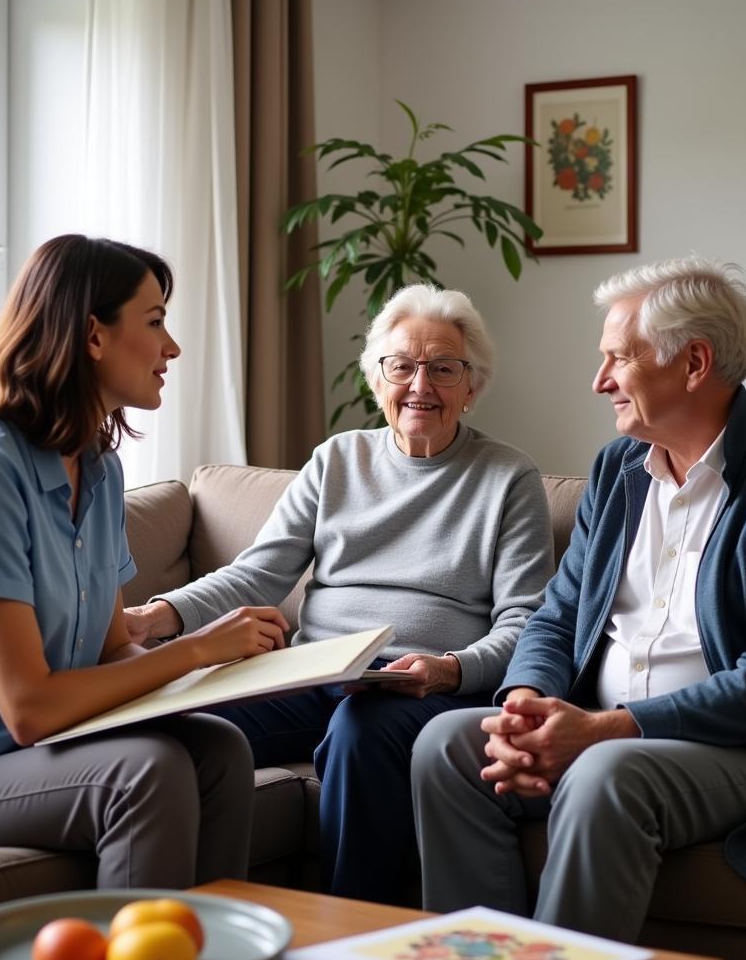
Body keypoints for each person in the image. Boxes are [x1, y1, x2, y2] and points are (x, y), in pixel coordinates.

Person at [411, 257, 746, 942]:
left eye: (617, 359)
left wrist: (607, 728)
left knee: (606, 774)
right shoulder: (616, 471)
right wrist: (524, 704)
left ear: (693, 363)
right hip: (603, 727)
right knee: (445, 746)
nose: (599, 381)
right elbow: (556, 617)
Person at [0, 234, 288, 889]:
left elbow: (112, 651)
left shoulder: (98, 468)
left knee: (220, 748)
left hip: (25, 754)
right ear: (94, 336)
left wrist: (225, 675)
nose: (171, 347)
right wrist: (196, 650)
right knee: (145, 770)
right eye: (154, 323)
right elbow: (30, 708)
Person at [125, 282, 553, 906]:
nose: (420, 386)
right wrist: (158, 616)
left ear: (473, 385)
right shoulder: (336, 461)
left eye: (443, 369)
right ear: (377, 379)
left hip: (417, 685)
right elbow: (257, 573)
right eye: (402, 366)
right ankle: (178, 921)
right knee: (182, 722)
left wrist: (450, 669)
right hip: (313, 670)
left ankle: (352, 929)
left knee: (361, 727)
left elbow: (526, 619)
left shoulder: (508, 478)